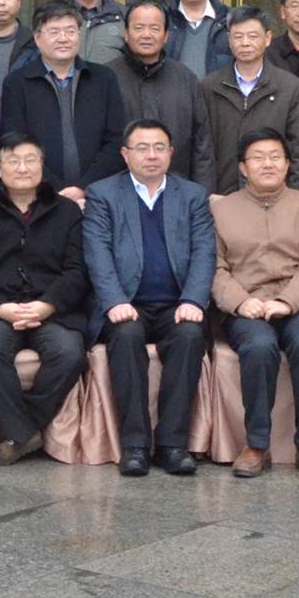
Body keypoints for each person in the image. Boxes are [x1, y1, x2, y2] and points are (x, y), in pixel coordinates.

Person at [82, 119, 216, 478]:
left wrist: (193, 300)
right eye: (142, 148)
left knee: (190, 336)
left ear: (171, 153)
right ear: (125, 154)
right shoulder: (103, 194)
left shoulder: (192, 195)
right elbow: (97, 253)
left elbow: (205, 253)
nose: (151, 155)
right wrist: (114, 301)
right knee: (125, 336)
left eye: (159, 147)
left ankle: (173, 445)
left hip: (177, 304)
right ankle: (135, 446)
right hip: (127, 303)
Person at [0, 133, 89, 465]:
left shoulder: (67, 212)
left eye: (30, 159)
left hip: (52, 309)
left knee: (69, 353)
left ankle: (16, 430)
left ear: (42, 164)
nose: (23, 168)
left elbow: (77, 270)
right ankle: (23, 431)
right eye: (13, 161)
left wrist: (47, 305)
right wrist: (1, 308)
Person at [211, 127, 299, 481]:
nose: (268, 164)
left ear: (287, 164)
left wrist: (287, 301)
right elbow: (214, 268)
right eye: (258, 157)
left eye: (275, 157)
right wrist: (240, 302)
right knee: (259, 346)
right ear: (243, 167)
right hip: (245, 306)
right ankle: (256, 445)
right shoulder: (222, 211)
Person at [0, 2, 128, 205]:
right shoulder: (17, 83)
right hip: (39, 197)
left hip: (99, 194)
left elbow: (116, 140)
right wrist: (55, 189)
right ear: (37, 38)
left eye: (70, 31)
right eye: (54, 32)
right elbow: (14, 143)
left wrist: (84, 187)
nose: (63, 38)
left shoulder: (104, 78)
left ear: (79, 35)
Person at [200, 6, 299, 196]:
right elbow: (202, 151)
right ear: (229, 40)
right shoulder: (209, 87)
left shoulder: (289, 87)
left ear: (268, 38)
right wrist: (206, 196)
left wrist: (295, 198)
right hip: (223, 197)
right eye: (238, 36)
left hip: (276, 198)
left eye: (253, 36)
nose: (245, 43)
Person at [113, 0, 215, 190]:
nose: (147, 35)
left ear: (166, 35)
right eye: (139, 28)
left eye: (155, 28)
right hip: (119, 190)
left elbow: (202, 144)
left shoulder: (185, 78)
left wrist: (203, 192)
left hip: (178, 188)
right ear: (126, 33)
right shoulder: (108, 77)